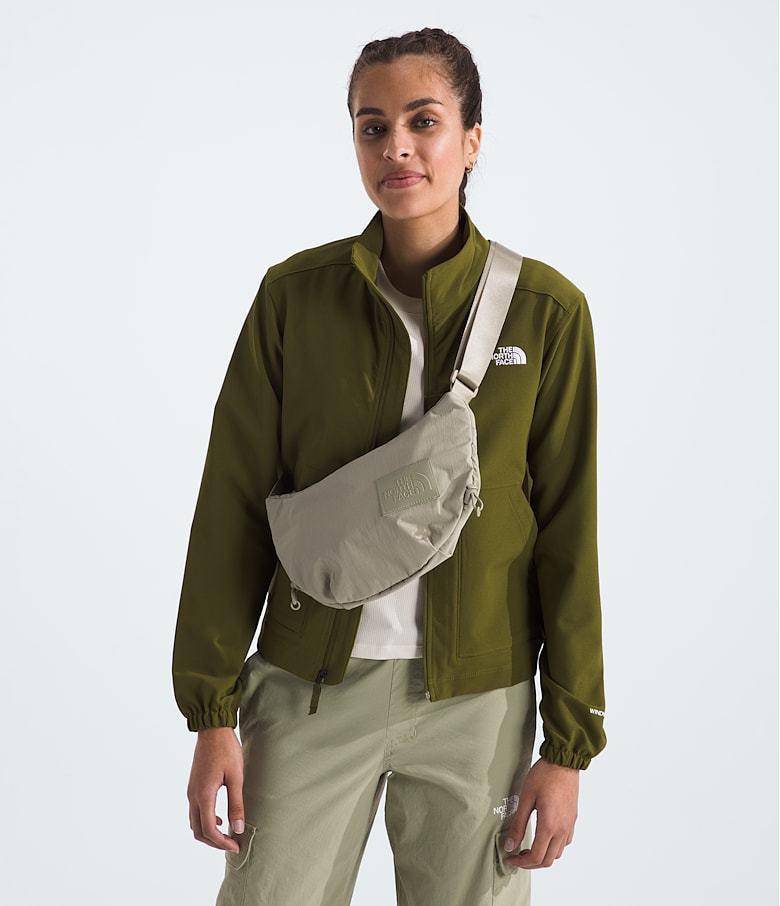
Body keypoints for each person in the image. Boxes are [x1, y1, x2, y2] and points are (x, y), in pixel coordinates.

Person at [172, 26, 607, 906]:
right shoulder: (294, 299)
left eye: (424, 121)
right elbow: (232, 505)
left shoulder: (546, 312)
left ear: (472, 140)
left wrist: (568, 746)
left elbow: (569, 531)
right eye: (372, 127)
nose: (396, 147)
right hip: (306, 690)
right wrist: (211, 713)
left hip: (478, 704)